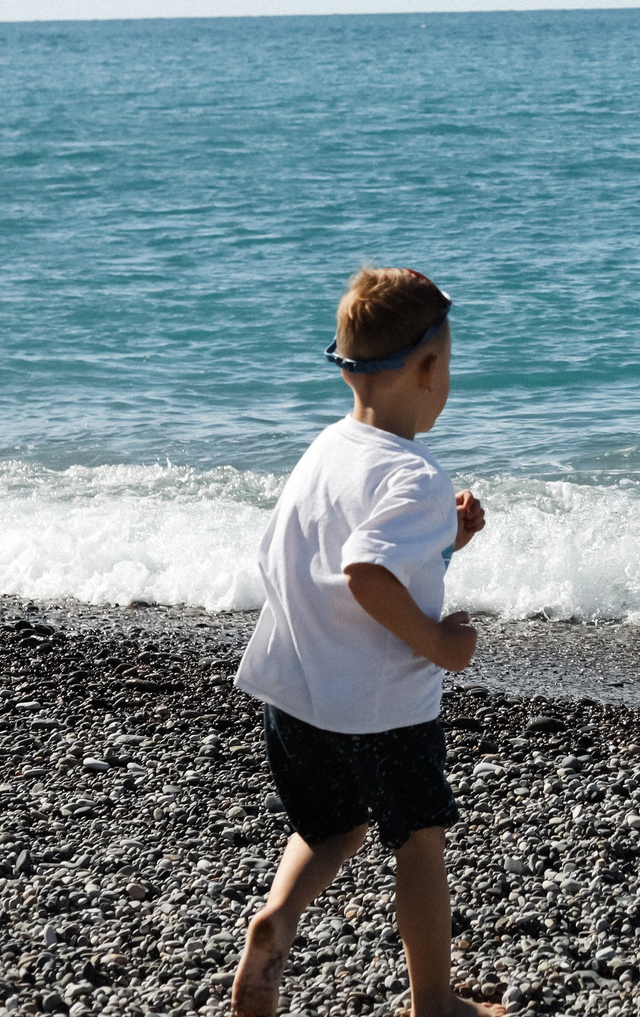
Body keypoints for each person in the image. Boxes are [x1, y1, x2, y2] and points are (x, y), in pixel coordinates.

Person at [229, 266, 502, 1017]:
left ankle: (278, 917)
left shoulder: (327, 450)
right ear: (427, 369)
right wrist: (441, 644)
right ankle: (436, 1002)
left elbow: (337, 554)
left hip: (297, 692)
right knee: (418, 842)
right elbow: (366, 570)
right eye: (448, 363)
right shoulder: (413, 474)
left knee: (331, 824)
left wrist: (448, 537)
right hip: (383, 707)